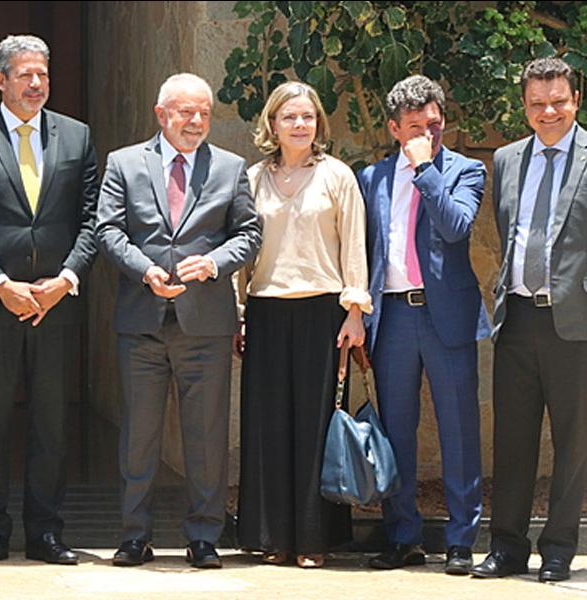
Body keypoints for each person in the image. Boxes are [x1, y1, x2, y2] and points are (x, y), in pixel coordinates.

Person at [472, 57, 587, 583]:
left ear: (575, 101)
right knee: (512, 437)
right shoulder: (506, 159)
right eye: (537, 103)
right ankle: (507, 547)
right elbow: (512, 231)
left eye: (557, 101)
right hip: (519, 318)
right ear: (524, 106)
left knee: (574, 440)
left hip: (580, 324)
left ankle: (558, 548)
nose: (547, 111)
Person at [0, 34, 98, 566]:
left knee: (52, 424)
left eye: (43, 75)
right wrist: (0, 284)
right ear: (0, 80)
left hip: (56, 303)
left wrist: (66, 279)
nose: (36, 84)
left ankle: (46, 532)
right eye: (25, 75)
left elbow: (92, 220)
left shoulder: (76, 137)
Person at [96, 73, 261, 569]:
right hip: (142, 321)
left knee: (206, 436)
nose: (195, 122)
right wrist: (143, 269)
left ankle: (204, 536)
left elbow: (250, 233)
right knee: (139, 437)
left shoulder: (231, 168)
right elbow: (107, 227)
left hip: (205, 322)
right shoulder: (124, 163)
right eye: (186, 112)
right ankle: (134, 536)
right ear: (161, 113)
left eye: (204, 114)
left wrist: (215, 263)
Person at [235, 81, 371, 569]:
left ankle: (314, 539)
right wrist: (241, 316)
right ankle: (273, 537)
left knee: (316, 428)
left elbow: (354, 244)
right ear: (272, 123)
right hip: (266, 312)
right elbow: (242, 258)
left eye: (308, 117)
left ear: (318, 124)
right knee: (269, 427)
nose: (299, 125)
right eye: (289, 117)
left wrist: (355, 309)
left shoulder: (337, 176)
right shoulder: (252, 179)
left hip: (323, 313)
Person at [359, 75, 489, 574]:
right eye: (414, 128)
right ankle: (403, 535)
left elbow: (455, 228)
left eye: (434, 125)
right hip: (391, 316)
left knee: (459, 430)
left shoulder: (465, 170)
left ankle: (460, 540)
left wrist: (426, 168)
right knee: (396, 435)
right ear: (394, 128)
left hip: (446, 318)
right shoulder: (371, 179)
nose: (426, 135)